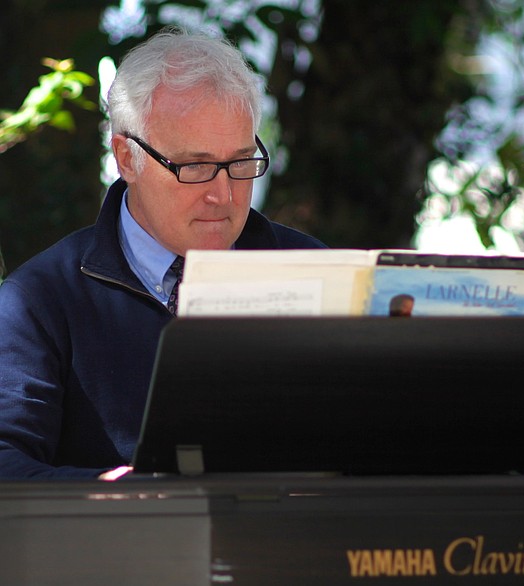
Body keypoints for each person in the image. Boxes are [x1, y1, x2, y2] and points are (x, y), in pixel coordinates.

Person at [0, 26, 325, 479]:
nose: (223, 195)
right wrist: (111, 495)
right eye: (195, 165)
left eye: (240, 162)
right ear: (126, 158)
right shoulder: (42, 300)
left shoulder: (319, 274)